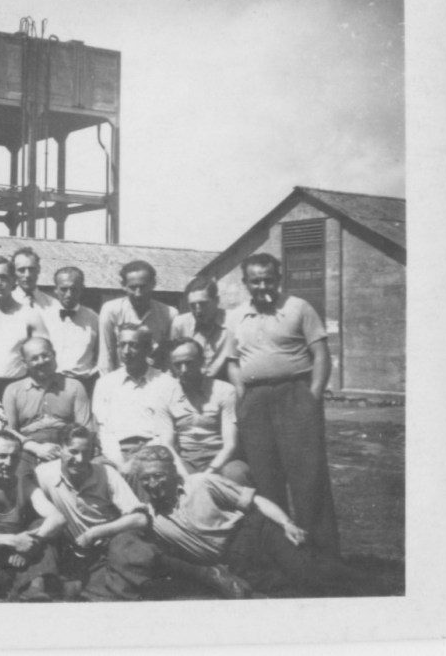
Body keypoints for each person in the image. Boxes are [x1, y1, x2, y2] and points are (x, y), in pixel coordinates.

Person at [136, 445, 375, 598]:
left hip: (256, 533)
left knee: (307, 572)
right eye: (146, 478)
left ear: (174, 475)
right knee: (285, 592)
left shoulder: (200, 483)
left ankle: (376, 591)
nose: (152, 484)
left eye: (158, 476)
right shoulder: (150, 517)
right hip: (235, 560)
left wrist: (286, 523)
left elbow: (256, 501)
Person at [226, 252, 339, 555]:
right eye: (255, 281)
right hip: (255, 399)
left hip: (295, 395)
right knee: (264, 477)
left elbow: (321, 356)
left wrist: (311, 398)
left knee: (308, 476)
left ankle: (321, 554)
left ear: (279, 279)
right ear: (245, 283)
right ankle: (279, 553)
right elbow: (232, 361)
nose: (263, 286)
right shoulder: (234, 316)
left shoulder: (299, 308)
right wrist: (242, 394)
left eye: (268, 279)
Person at [34, 424, 157, 601]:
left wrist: (94, 533)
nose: (80, 459)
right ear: (60, 449)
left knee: (128, 546)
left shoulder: (107, 473)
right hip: (72, 548)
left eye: (87, 452)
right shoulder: (43, 473)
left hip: (107, 542)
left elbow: (140, 519)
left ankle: (104, 589)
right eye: (73, 451)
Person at [0, 430, 65, 600]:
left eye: (14, 457)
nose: (8, 463)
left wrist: (31, 544)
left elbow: (57, 517)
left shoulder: (24, 484)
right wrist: (14, 541)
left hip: (22, 557)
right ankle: (24, 587)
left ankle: (33, 587)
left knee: (42, 525)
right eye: (2, 456)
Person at [152, 338, 251, 486]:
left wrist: (208, 474)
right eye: (178, 365)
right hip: (188, 463)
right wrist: (185, 476)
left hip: (222, 461)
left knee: (237, 473)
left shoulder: (224, 391)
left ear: (202, 361)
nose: (183, 370)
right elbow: (168, 445)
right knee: (165, 475)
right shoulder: (165, 396)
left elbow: (230, 444)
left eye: (189, 363)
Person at [2, 337, 93, 474]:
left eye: (45, 356)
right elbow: (9, 431)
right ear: (24, 363)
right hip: (28, 449)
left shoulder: (74, 386)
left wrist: (66, 450)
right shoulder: (13, 390)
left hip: (68, 446)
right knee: (18, 474)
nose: (41, 362)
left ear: (54, 355)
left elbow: (85, 428)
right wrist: (35, 448)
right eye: (34, 358)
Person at [91, 325, 170, 479]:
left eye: (133, 345)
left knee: (150, 472)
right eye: (122, 345)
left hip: (153, 451)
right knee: (96, 471)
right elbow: (104, 430)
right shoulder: (105, 383)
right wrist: (120, 463)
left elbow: (166, 431)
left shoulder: (165, 382)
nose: (126, 351)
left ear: (147, 349)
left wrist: (141, 458)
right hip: (115, 453)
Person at [0, 256, 49, 399]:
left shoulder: (30, 315)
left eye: (3, 278)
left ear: (13, 280)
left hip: (17, 387)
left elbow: (44, 358)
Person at [98, 260, 177, 374]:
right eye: (133, 287)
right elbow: (106, 354)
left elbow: (171, 358)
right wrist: (108, 386)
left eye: (143, 287)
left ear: (153, 284)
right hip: (121, 378)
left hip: (155, 379)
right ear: (123, 286)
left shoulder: (169, 314)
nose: (138, 293)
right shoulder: (110, 310)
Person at [48, 266, 100, 395]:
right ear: (55, 289)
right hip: (51, 384)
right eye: (64, 289)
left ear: (82, 290)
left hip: (84, 384)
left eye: (74, 289)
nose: (69, 294)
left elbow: (102, 354)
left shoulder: (94, 318)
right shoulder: (44, 317)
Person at [169, 276, 233, 380]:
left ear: (216, 301)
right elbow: (172, 361)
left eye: (203, 304)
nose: (198, 311)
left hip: (223, 384)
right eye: (192, 306)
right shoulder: (180, 324)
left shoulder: (232, 321)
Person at [11, 247, 59, 318]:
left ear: (38, 269)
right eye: (21, 270)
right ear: (14, 272)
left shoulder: (53, 304)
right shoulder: (6, 302)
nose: (27, 275)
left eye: (31, 269)